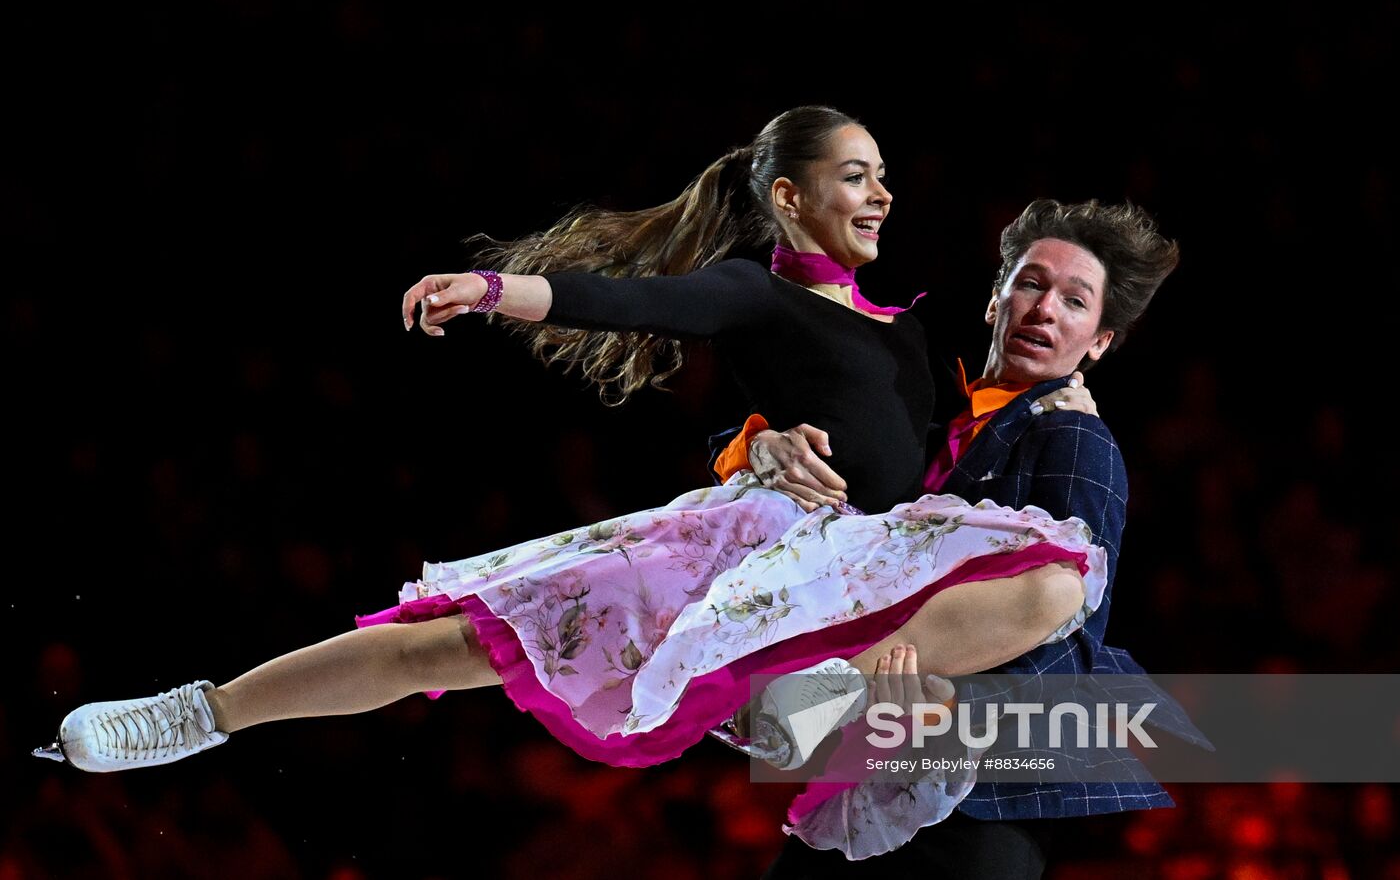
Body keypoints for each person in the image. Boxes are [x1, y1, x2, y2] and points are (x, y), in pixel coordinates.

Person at [34, 107, 1107, 858]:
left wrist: (1045, 400)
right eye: (854, 175)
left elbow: (916, 459)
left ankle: (827, 696)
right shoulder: (754, 292)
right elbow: (630, 303)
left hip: (851, 579)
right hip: (743, 553)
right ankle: (201, 712)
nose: (880, 193)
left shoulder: (915, 331)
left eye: (880, 175)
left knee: (1058, 576)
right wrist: (497, 289)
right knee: (454, 643)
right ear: (788, 196)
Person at [720, 199, 1192, 875]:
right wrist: (759, 442)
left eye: (1075, 300)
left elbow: (1067, 621)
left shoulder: (1071, 435)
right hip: (874, 772)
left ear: (1099, 341)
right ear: (995, 302)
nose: (1045, 308)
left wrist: (946, 706)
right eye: (1030, 283)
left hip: (977, 809)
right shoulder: (925, 417)